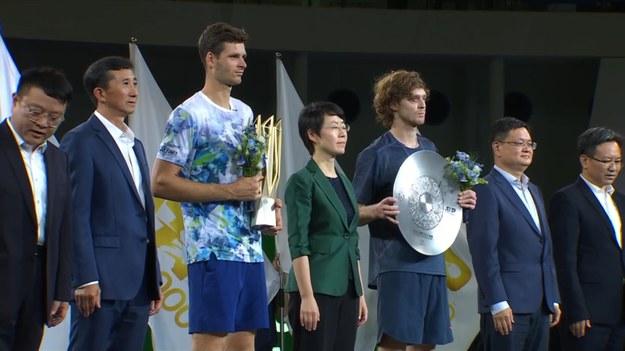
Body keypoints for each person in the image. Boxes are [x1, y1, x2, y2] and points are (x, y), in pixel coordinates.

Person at [151, 22, 282, 351]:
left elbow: (252, 178)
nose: (243, 63)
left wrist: (264, 208)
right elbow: (161, 181)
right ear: (211, 59)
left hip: (249, 249)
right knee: (212, 339)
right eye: (234, 56)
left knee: (244, 340)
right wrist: (230, 191)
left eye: (244, 56)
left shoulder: (245, 112)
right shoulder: (188, 114)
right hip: (211, 247)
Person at [352, 69, 477, 351]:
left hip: (433, 261)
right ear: (393, 104)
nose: (422, 105)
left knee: (426, 344)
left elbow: (439, 204)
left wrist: (462, 201)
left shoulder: (431, 148)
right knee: (393, 342)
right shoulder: (376, 154)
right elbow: (352, 212)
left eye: (424, 98)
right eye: (413, 99)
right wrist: (376, 210)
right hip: (396, 262)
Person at [60, 56, 162, 351]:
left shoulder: (136, 145)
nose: (134, 91)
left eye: (135, 83)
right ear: (99, 93)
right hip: (99, 284)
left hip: (138, 285)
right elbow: (76, 215)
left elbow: (144, 215)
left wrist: (152, 279)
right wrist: (85, 278)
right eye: (125, 83)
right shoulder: (80, 141)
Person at [466, 116, 561, 351]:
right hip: (508, 307)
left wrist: (553, 297)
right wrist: (497, 302)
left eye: (530, 144)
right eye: (519, 143)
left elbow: (544, 249)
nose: (527, 148)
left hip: (540, 306)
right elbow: (484, 252)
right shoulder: (485, 189)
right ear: (497, 147)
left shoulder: (534, 190)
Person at [284, 101, 368, 351]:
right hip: (317, 288)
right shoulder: (302, 181)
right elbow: (298, 243)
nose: (342, 133)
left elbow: (351, 241)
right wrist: (307, 297)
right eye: (334, 127)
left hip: (347, 290)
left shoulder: (344, 181)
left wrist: (360, 293)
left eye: (344, 127)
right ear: (313, 135)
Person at [0, 67, 73, 351]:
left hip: (38, 284)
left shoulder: (58, 159)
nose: (43, 123)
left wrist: (60, 289)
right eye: (35, 112)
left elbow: (63, 226)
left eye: (54, 118)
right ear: (16, 100)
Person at [550, 127, 625, 351]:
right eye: (606, 161)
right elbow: (564, 261)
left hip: (619, 314)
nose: (613, 167)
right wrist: (575, 310)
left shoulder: (620, 201)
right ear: (585, 160)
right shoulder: (568, 199)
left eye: (618, 161)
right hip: (587, 315)